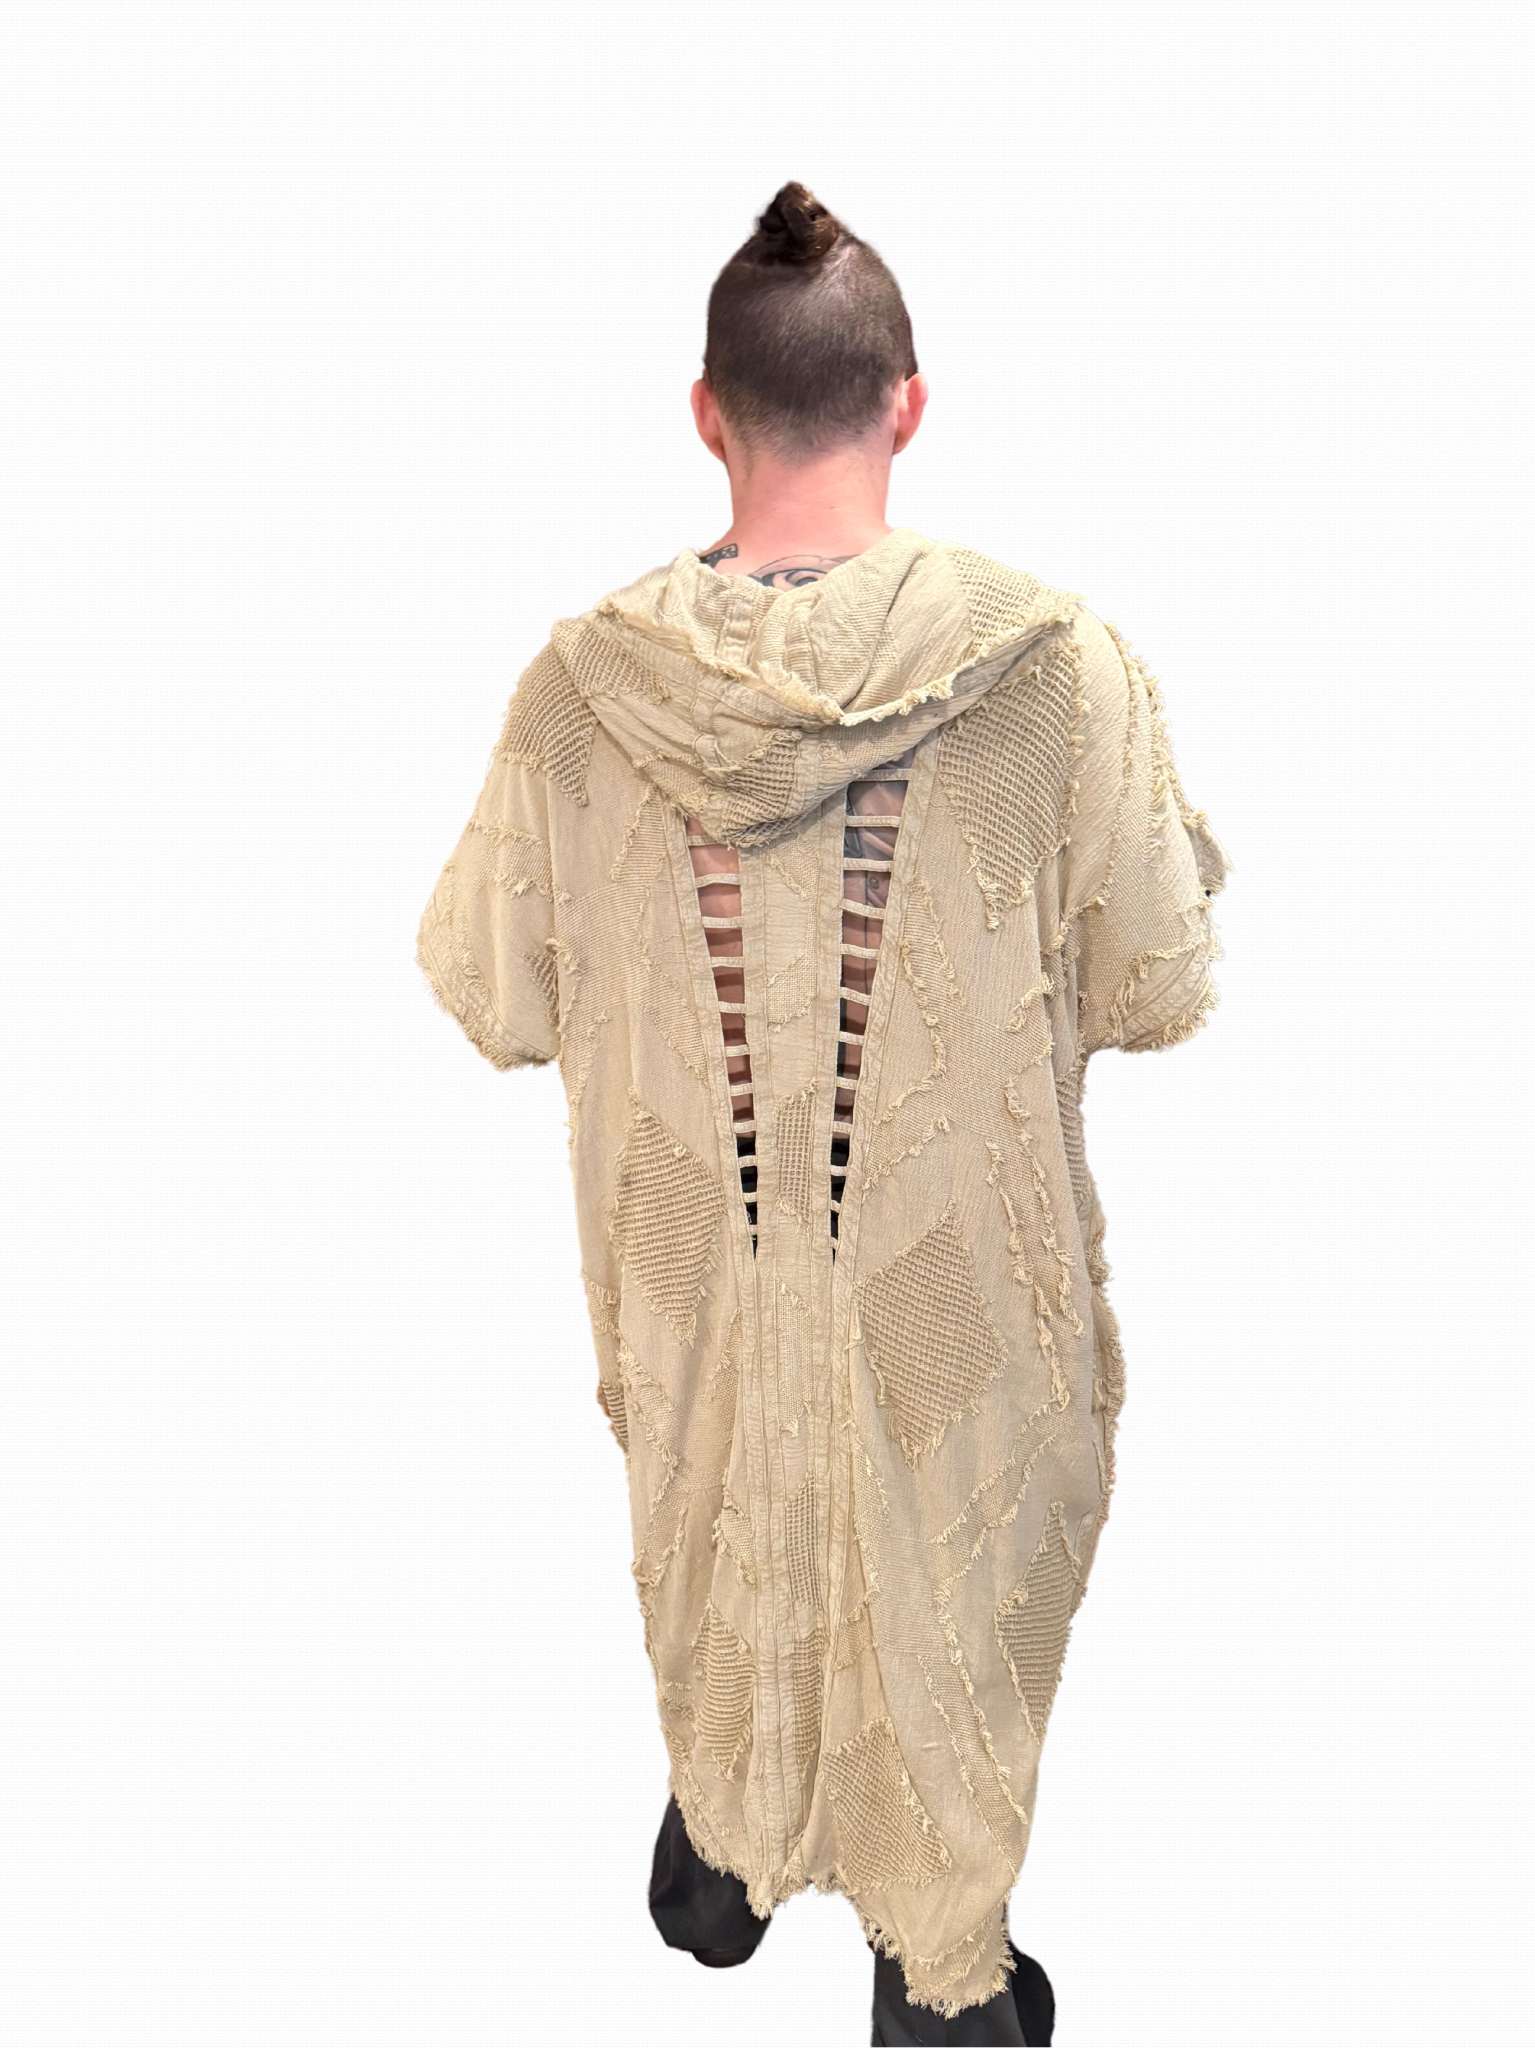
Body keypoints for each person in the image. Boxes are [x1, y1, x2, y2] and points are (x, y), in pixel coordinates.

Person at [417, 180, 1231, 2045]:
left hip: (692, 1263)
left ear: (706, 412)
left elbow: (495, 990)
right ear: (909, 403)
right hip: (952, 1277)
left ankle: (722, 1859)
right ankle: (935, 1977)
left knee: (725, 1493)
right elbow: (1159, 980)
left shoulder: (583, 697)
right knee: (944, 1565)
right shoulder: (1057, 676)